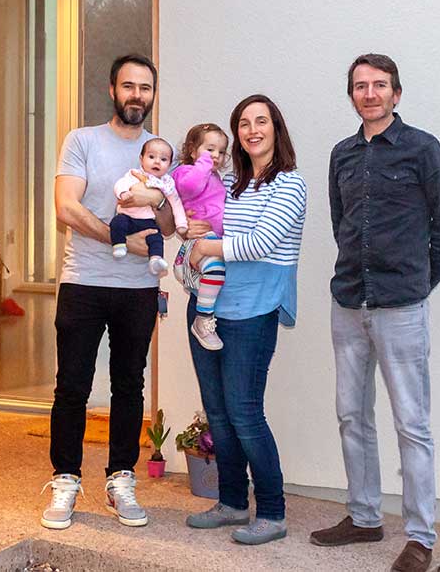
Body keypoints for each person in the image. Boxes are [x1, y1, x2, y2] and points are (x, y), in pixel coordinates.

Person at [309, 54, 440, 572]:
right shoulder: (342, 154)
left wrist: (416, 285)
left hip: (401, 308)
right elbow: (342, 223)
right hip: (349, 303)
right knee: (351, 416)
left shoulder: (423, 149)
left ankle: (420, 536)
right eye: (360, 86)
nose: (370, 93)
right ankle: (364, 517)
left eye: (380, 85)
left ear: (396, 94)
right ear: (351, 94)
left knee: (411, 424)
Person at [41, 54, 175, 530]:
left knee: (129, 386)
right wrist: (120, 239)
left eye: (145, 87)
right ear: (112, 90)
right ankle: (65, 480)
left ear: (152, 95)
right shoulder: (82, 141)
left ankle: (121, 478)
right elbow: (66, 208)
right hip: (83, 281)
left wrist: (158, 203)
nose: (137, 94)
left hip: (138, 290)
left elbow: (170, 223)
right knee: (72, 387)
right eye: (129, 86)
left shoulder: (161, 151)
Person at [181, 95, 307, 545]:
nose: (252, 129)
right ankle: (232, 502)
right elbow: (197, 217)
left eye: (262, 121)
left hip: (253, 312)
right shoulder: (228, 182)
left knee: (245, 413)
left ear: (276, 128)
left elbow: (259, 244)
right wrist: (193, 231)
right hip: (206, 309)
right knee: (217, 412)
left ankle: (272, 512)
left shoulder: (290, 184)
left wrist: (208, 246)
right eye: (244, 123)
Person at [171, 123, 230, 350]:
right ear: (193, 150)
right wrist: (203, 164)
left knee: (216, 274)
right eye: (210, 149)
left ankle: (203, 308)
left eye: (221, 151)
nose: (216, 156)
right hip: (199, 241)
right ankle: (203, 319)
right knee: (216, 271)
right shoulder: (186, 171)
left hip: (211, 239)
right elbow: (189, 188)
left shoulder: (216, 177)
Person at [109, 137, 187, 277]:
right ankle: (119, 245)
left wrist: (181, 224)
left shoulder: (167, 183)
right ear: (141, 159)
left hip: (149, 221)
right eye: (151, 157)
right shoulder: (135, 174)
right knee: (117, 223)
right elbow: (120, 184)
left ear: (169, 164)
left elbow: (176, 204)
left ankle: (155, 260)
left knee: (156, 239)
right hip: (128, 217)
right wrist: (123, 193)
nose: (157, 161)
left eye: (163, 159)